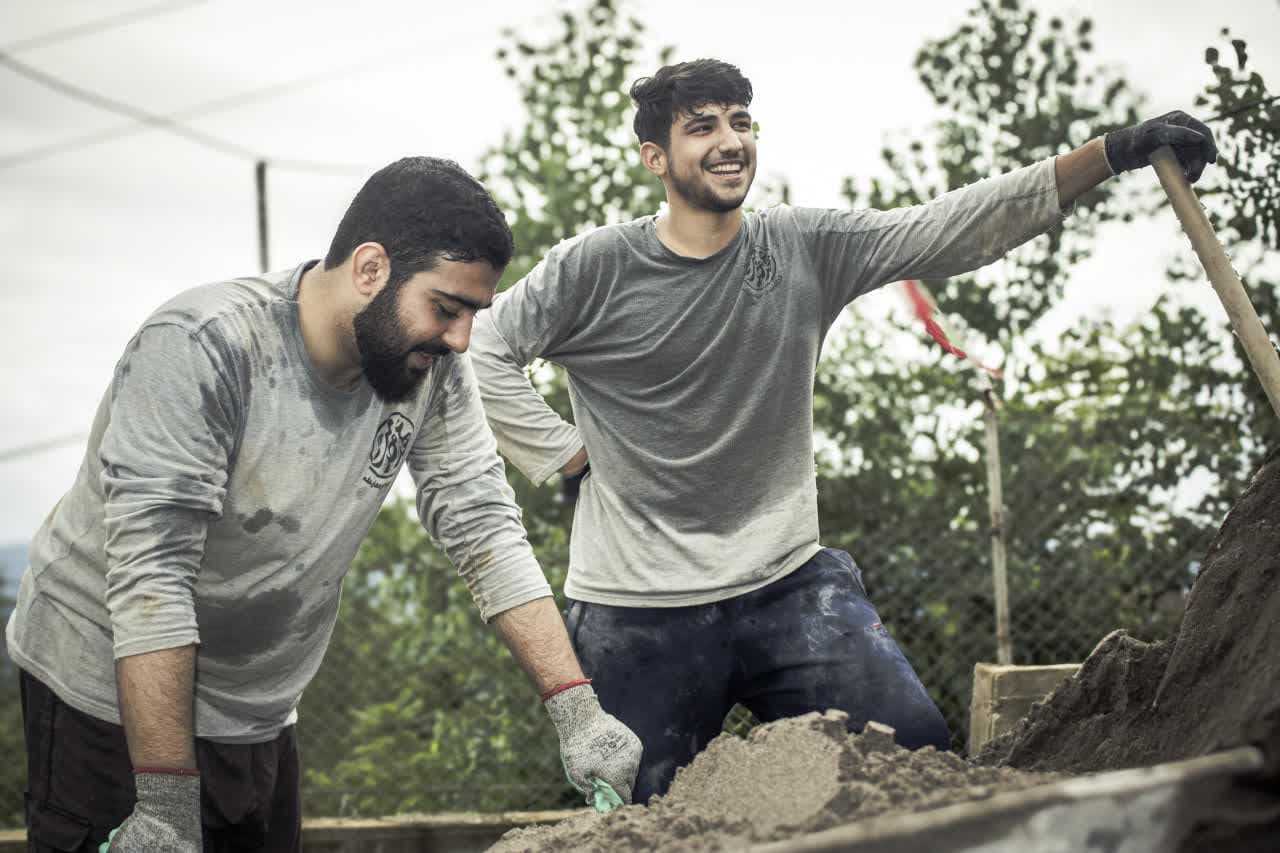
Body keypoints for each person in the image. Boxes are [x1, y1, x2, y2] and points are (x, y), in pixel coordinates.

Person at [468, 58, 1218, 803]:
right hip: (635, 608)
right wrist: (561, 451)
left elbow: (947, 230)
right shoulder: (595, 267)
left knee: (914, 763)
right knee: (636, 806)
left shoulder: (801, 245)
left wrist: (1110, 153)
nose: (730, 141)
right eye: (703, 127)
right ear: (655, 158)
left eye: (740, 122)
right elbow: (485, 347)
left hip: (788, 583)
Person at [6, 157, 641, 853]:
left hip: (258, 707)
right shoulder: (203, 347)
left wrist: (578, 711)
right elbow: (151, 578)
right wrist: (162, 801)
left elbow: (484, 525)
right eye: (446, 308)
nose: (462, 339)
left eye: (474, 315)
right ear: (370, 268)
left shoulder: (432, 372)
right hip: (106, 696)